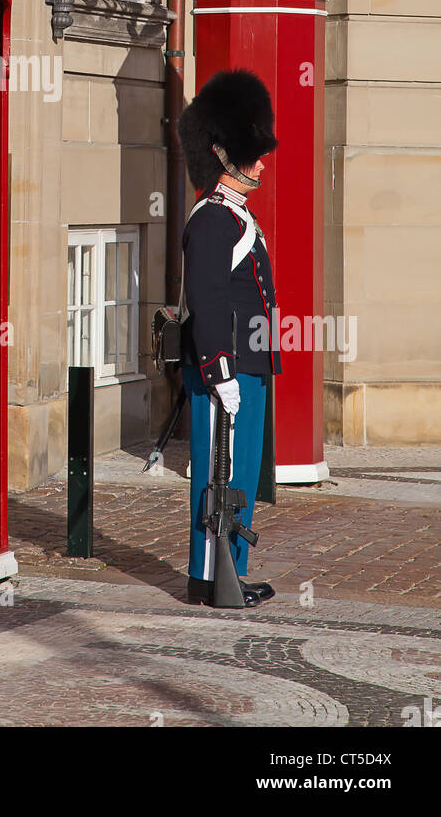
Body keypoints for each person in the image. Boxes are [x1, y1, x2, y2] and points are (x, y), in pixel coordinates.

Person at [177, 68, 281, 607]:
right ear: (223, 152)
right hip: (229, 368)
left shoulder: (237, 217)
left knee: (235, 475)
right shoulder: (216, 219)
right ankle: (210, 577)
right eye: (251, 152)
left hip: (249, 366)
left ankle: (229, 572)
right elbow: (209, 297)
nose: (261, 161)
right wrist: (220, 369)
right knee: (220, 472)